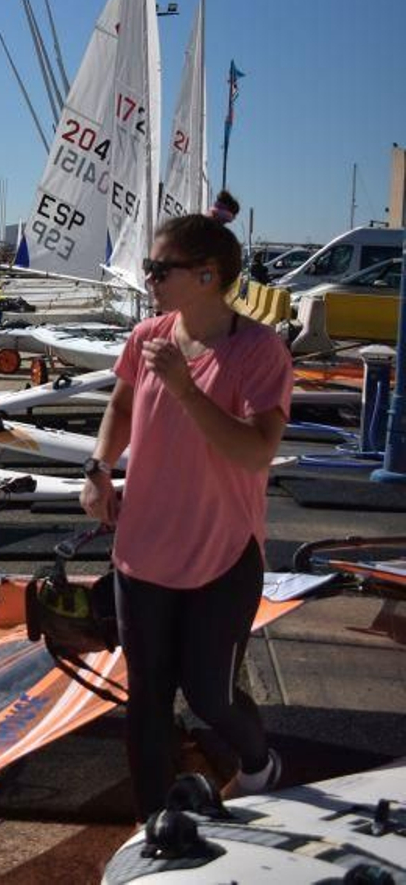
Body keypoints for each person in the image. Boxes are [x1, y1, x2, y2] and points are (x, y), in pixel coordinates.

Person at [80, 209, 292, 819]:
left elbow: (255, 451)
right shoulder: (147, 336)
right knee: (146, 697)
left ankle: (259, 765)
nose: (148, 277)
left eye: (158, 268)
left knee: (210, 697)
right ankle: (156, 823)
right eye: (149, 267)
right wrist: (98, 466)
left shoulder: (258, 350)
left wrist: (187, 390)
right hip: (142, 550)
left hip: (221, 555)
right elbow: (120, 409)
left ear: (207, 275)